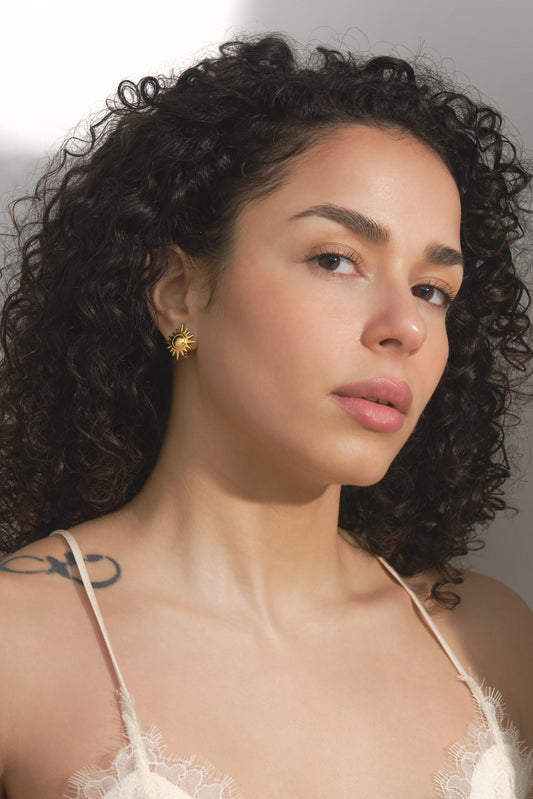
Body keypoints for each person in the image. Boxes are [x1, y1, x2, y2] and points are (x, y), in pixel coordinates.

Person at [0, 33, 531, 799]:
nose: (405, 327)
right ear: (177, 289)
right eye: (335, 258)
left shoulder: (489, 639)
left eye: (431, 289)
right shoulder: (21, 646)